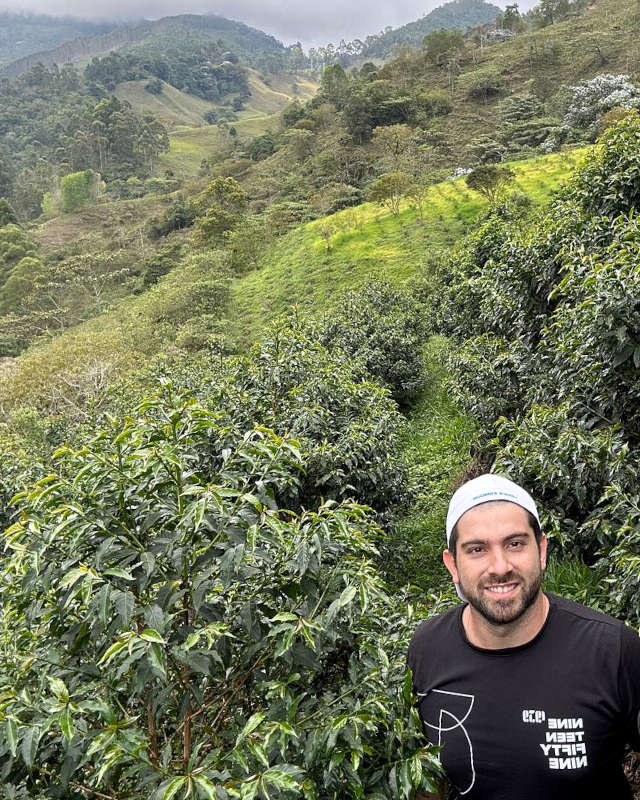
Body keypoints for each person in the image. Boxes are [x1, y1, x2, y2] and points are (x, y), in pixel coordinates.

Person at [408, 473, 640, 800]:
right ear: (453, 565)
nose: (500, 566)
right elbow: (427, 775)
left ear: (541, 550)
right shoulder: (426, 648)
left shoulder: (612, 650)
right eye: (477, 549)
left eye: (515, 544)